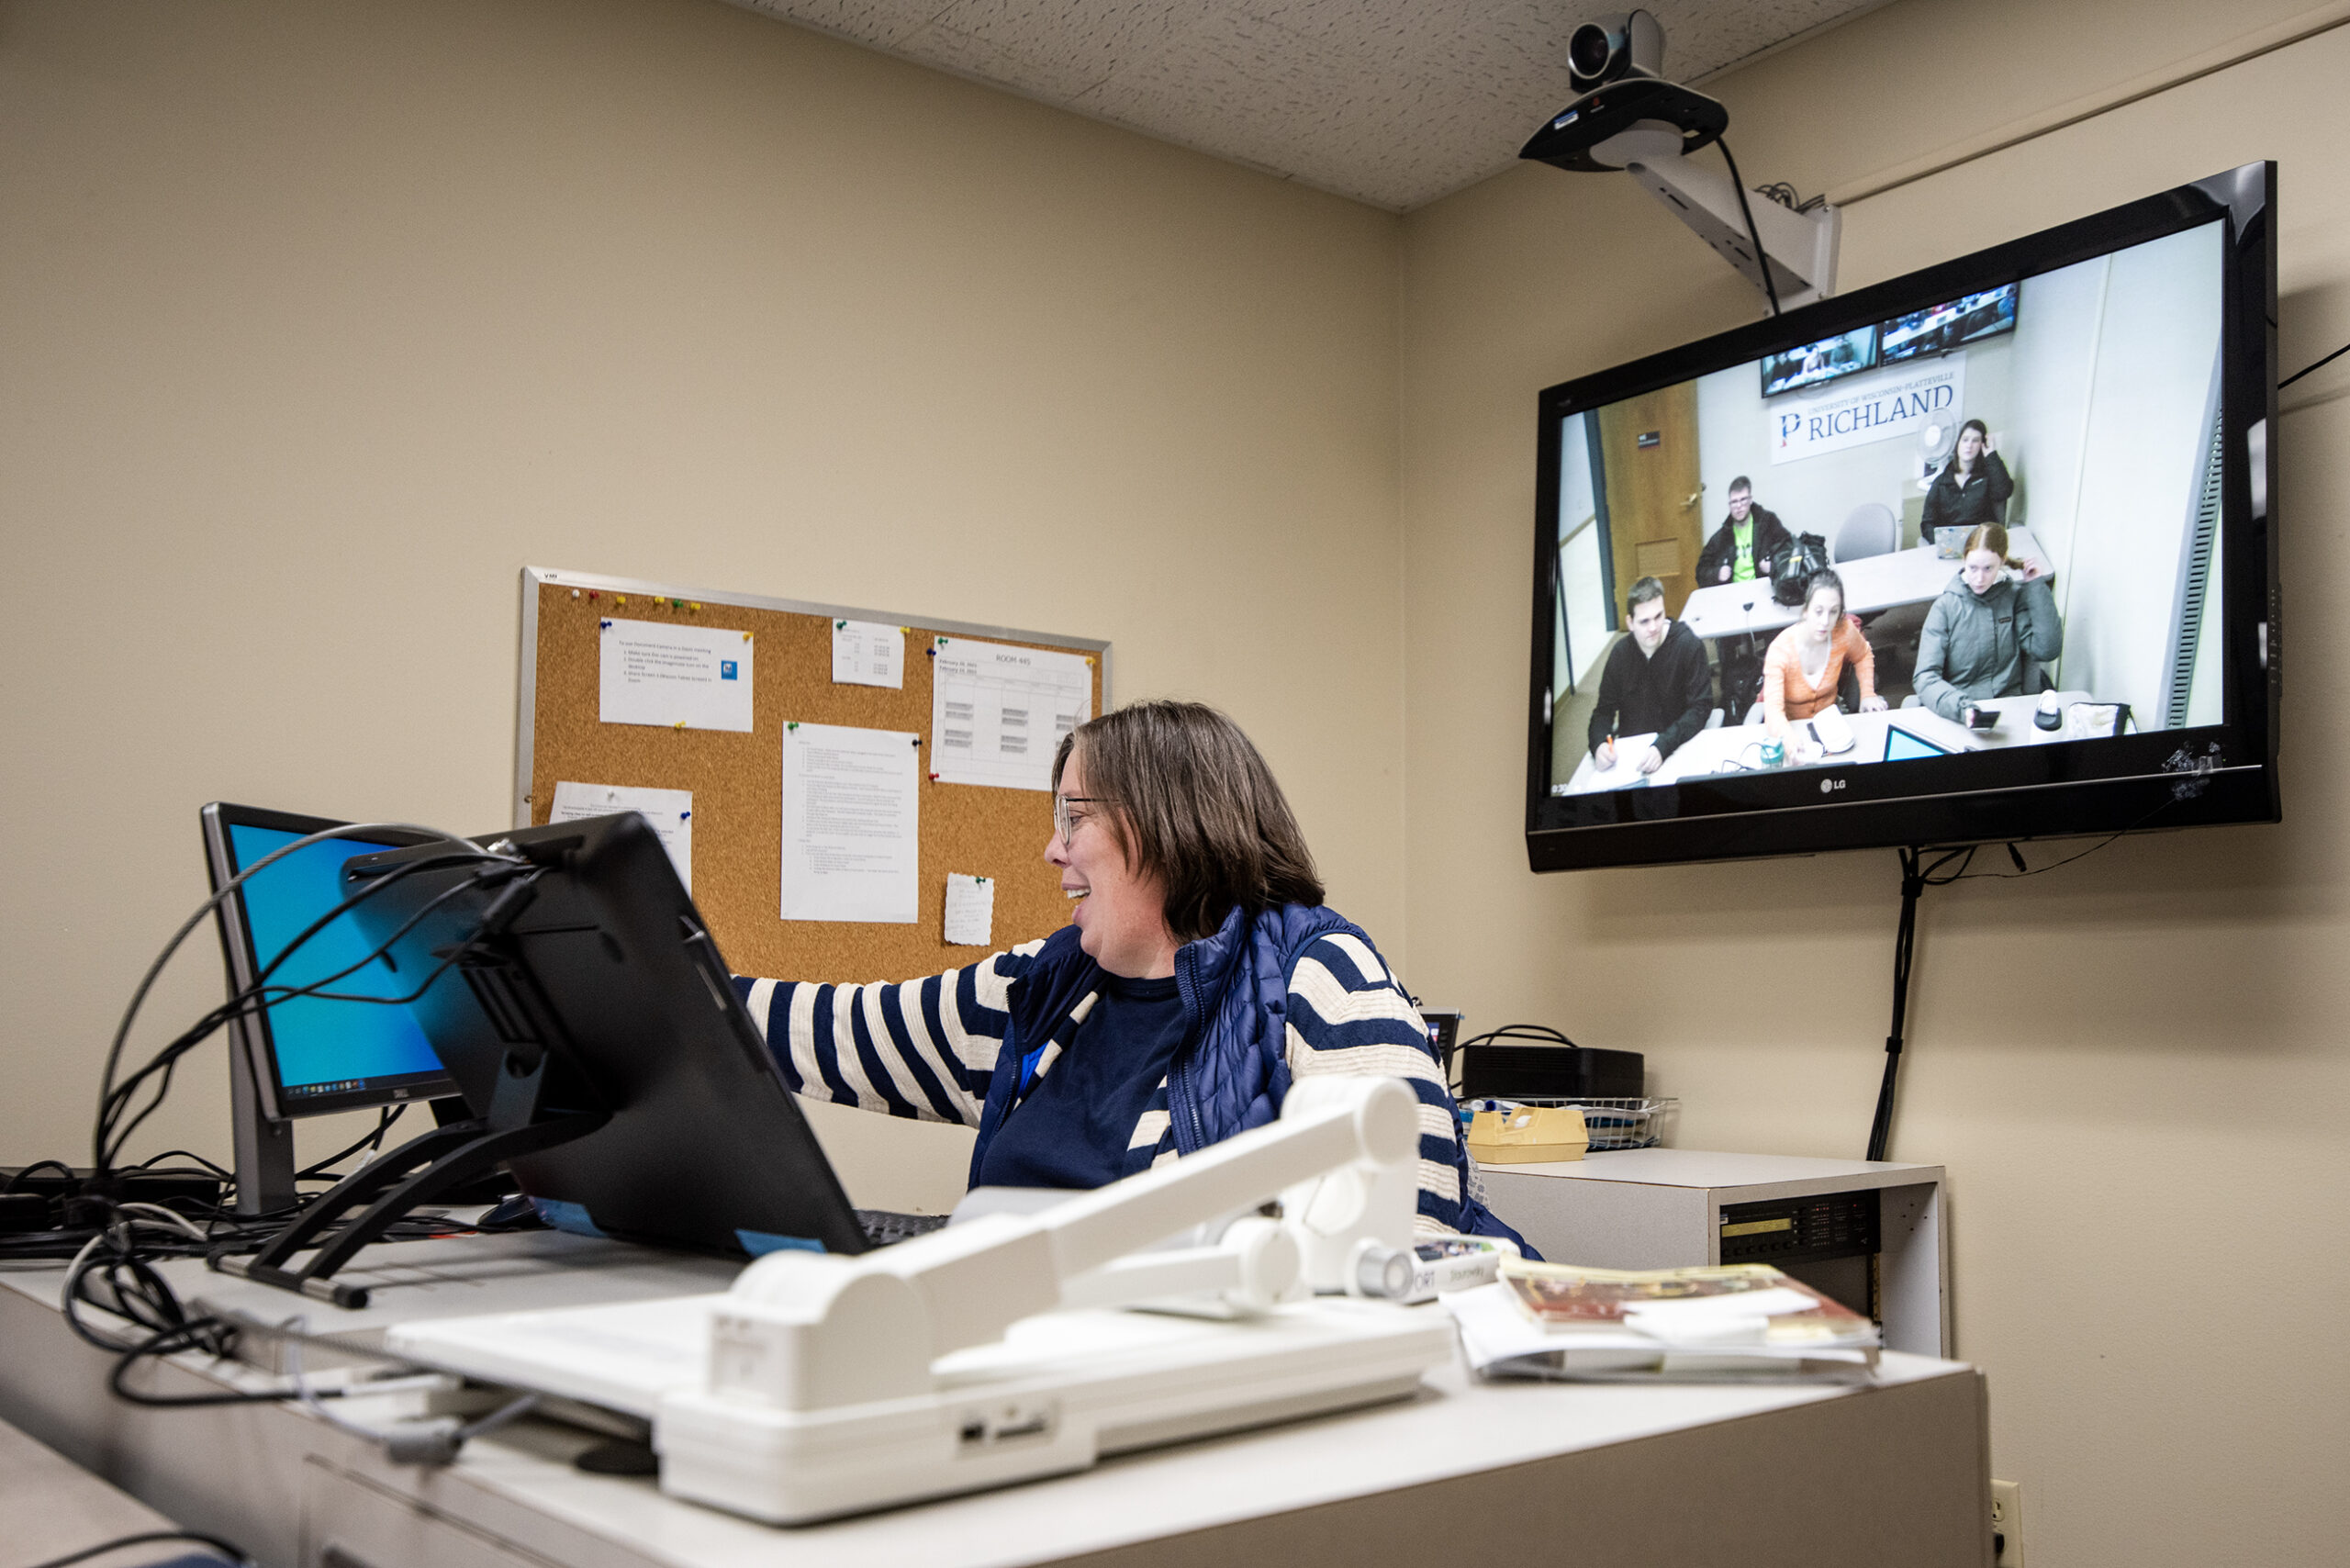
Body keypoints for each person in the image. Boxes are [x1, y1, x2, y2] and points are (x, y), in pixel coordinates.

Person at [733, 700, 1528, 1245]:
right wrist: (664, 989)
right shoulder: (1046, 986)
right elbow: (836, 1031)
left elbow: (1412, 1251)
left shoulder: (1320, 976)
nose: (1054, 851)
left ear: (1168, 825)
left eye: (1074, 818)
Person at [1912, 522, 2064, 722]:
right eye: (1972, 568)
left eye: (1988, 568)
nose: (1979, 578)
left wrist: (2035, 586)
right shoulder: (1945, 607)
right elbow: (1925, 677)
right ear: (1964, 560)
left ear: (2001, 561)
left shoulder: (2014, 597)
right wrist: (1962, 709)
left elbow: (2047, 650)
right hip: (1959, 708)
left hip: (2009, 705)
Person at [1585, 576, 1712, 778]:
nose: (1653, 627)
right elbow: (1603, 712)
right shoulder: (1620, 654)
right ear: (1630, 622)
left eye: (1658, 616)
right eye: (1644, 621)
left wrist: (1664, 745)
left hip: (1678, 747)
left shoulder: (1688, 645)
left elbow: (1701, 707)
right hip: (1634, 759)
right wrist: (1599, 743)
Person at [1760, 569, 1885, 754]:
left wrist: (1867, 694)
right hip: (1791, 728)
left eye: (1833, 612)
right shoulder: (1781, 650)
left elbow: (1863, 654)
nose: (1825, 621)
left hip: (1832, 724)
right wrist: (1788, 739)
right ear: (1805, 611)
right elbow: (1773, 712)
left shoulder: (1844, 631)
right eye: (1818, 611)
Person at [1920, 419, 2013, 535]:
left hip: (1981, 542)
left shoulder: (1987, 478)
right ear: (1958, 443)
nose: (1969, 445)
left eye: (1975, 441)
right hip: (1950, 545)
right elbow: (1927, 523)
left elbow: (2003, 492)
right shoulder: (1941, 483)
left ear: (1981, 445)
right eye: (1965, 440)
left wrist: (1991, 455)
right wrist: (1940, 542)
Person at [1695, 476, 1793, 586]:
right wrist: (1716, 574)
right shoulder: (1722, 536)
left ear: (1750, 500)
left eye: (1743, 500)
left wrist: (1774, 565)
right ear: (1729, 505)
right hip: (1734, 591)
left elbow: (1790, 549)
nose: (1739, 506)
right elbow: (1700, 572)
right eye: (1734, 502)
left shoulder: (1768, 523)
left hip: (1763, 586)